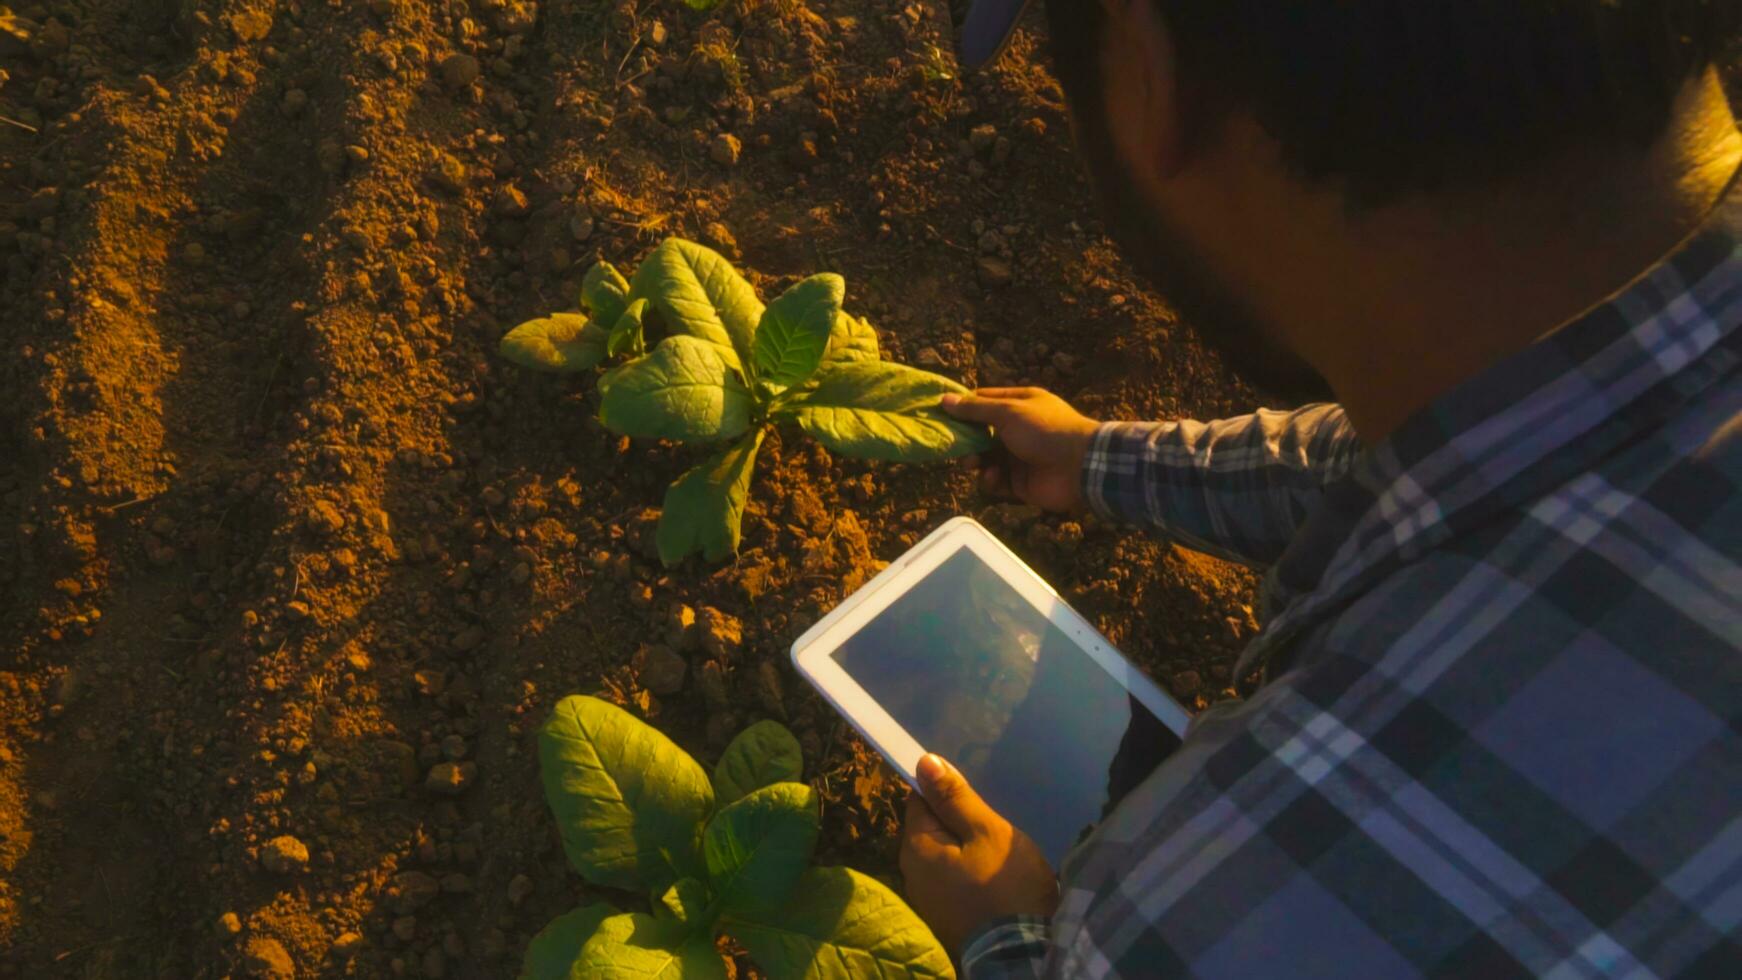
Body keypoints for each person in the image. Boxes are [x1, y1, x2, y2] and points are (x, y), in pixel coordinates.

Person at [901, 1, 1742, 976]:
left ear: (1145, 73)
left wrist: (1004, 932)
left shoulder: (1196, 922)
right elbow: (1495, 442)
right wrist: (1101, 459)